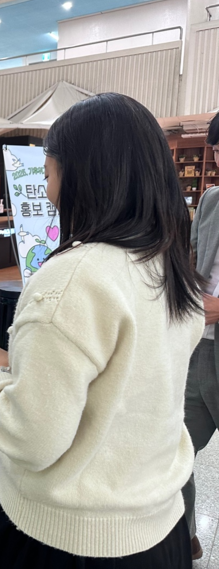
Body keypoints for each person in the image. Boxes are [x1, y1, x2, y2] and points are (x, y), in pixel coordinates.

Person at [0, 94, 204, 568]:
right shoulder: (168, 267)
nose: (45, 188)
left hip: (64, 539)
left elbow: (32, 439)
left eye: (49, 173)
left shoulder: (73, 278)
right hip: (160, 530)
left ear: (82, 175)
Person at [182, 112, 219, 560]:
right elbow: (194, 260)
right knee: (169, 450)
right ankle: (184, 533)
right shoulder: (210, 200)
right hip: (197, 351)